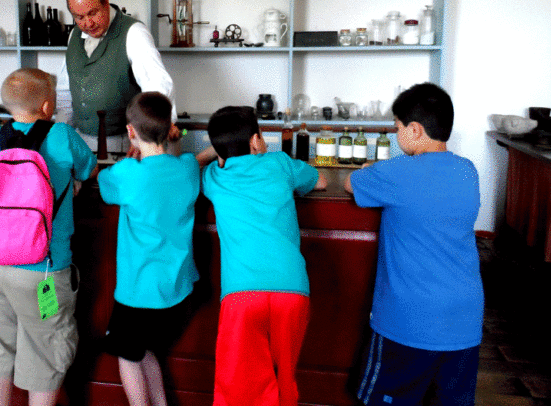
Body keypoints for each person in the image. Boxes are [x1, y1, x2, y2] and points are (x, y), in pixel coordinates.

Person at [344, 82, 483, 406]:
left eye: (397, 128)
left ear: (416, 130)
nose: (396, 136)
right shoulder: (469, 172)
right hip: (464, 322)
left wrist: (371, 170)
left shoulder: (396, 173)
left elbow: (351, 183)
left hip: (409, 323)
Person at [0, 68, 97, 406]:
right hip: (43, 271)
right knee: (45, 351)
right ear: (48, 106)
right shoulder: (63, 136)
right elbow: (88, 169)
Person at [199, 106, 327, 406]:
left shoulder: (215, 178)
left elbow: (192, 165)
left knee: (237, 389)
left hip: (242, 296)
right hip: (292, 291)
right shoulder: (280, 163)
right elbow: (319, 181)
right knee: (283, 381)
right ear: (257, 140)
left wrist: (215, 153)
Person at [97, 92, 200, 406]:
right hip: (177, 288)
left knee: (127, 356)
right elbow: (182, 158)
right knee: (145, 351)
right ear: (170, 128)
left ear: (130, 132)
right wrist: (176, 138)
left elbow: (103, 184)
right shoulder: (187, 168)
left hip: (139, 288)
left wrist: (129, 162)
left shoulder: (127, 174)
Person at [58, 0, 177, 154]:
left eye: (93, 13)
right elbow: (65, 88)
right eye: (79, 17)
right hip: (80, 141)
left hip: (124, 143)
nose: (88, 23)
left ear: (105, 1)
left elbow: (157, 85)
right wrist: (61, 132)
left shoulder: (134, 33)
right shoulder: (73, 35)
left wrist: (146, 139)